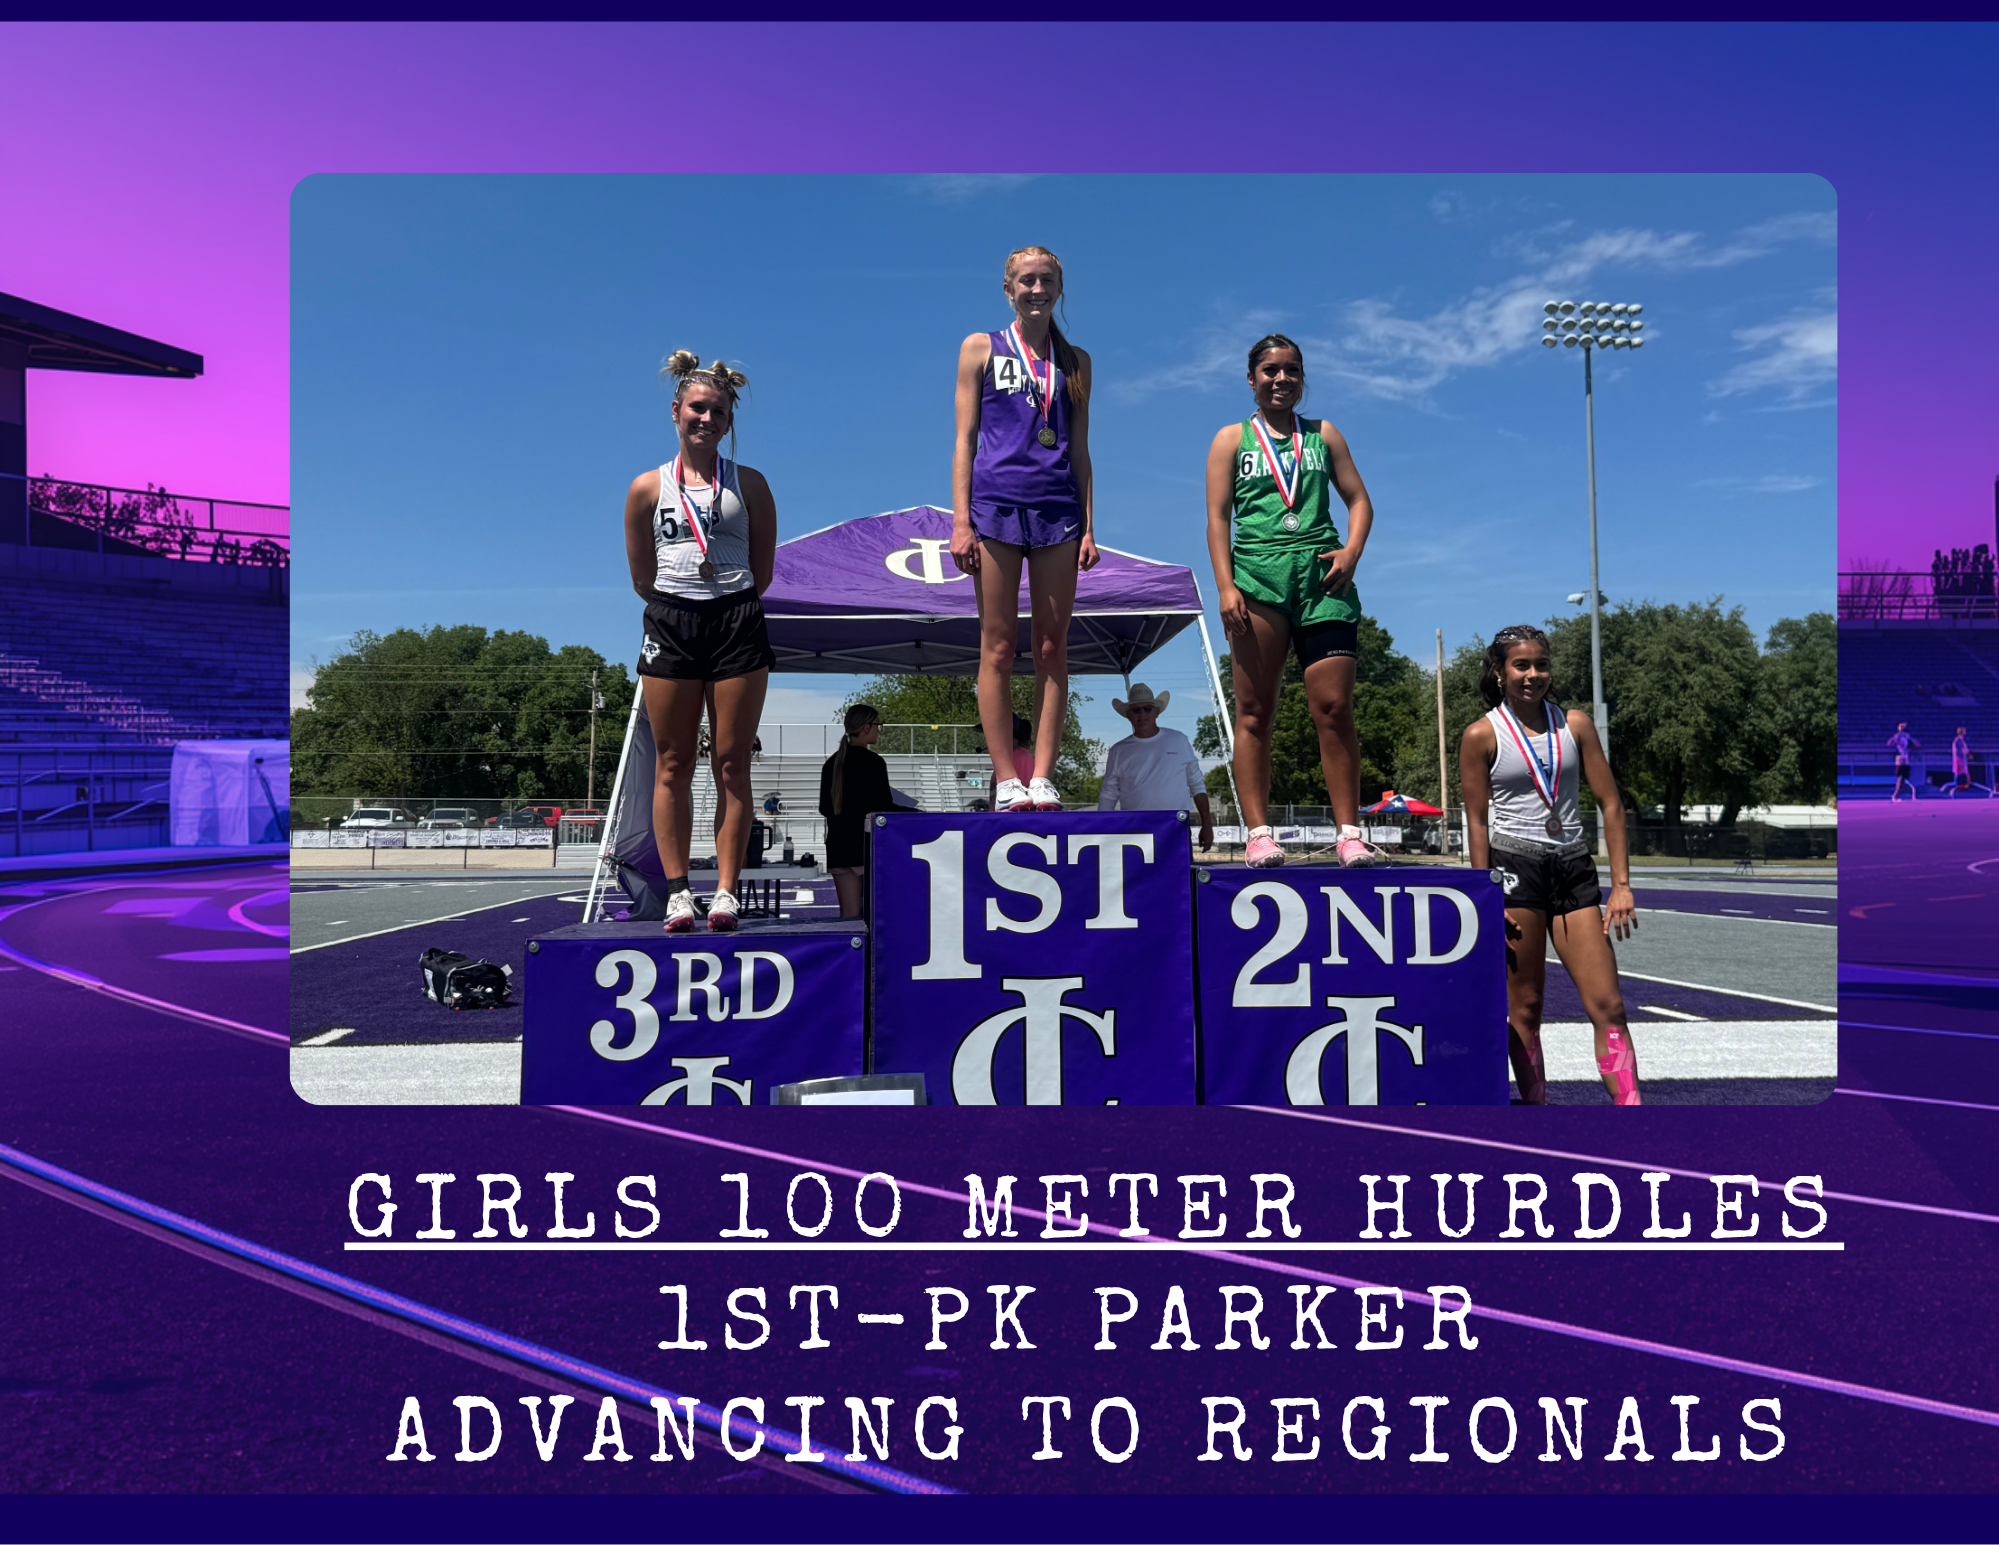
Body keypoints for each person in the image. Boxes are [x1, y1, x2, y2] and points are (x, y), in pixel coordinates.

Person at [1204, 334, 1377, 869]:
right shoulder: (1230, 440)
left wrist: (1352, 551)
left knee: (1335, 708)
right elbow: (1217, 519)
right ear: (1251, 378)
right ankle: (1259, 834)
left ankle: (1349, 833)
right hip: (1257, 581)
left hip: (1322, 581)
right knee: (1255, 712)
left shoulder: (1324, 434)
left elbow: (1359, 500)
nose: (1282, 379)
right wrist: (1226, 586)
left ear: (1302, 378)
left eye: (1292, 370)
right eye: (1271, 370)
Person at [622, 351, 776, 933]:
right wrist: (681, 601)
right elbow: (642, 577)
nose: (706, 419)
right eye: (697, 408)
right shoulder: (646, 488)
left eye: (718, 412)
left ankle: (727, 892)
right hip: (672, 620)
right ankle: (679, 891)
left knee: (732, 761)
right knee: (673, 762)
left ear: (729, 420)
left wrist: (722, 597)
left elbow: (763, 570)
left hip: (736, 617)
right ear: (675, 411)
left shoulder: (750, 484)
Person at [1460, 625, 1641, 1106]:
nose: (1533, 675)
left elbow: (1611, 804)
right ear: (1498, 672)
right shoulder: (1481, 734)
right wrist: (1485, 894)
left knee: (1609, 1005)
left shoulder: (1575, 724)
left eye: (1541, 665)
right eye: (1521, 665)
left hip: (1573, 866)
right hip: (1514, 869)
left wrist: (1622, 884)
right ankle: (1538, 1114)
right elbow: (1476, 821)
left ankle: (1632, 1114)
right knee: (1526, 1009)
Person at [951, 245, 1098, 814]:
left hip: (1058, 512)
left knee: (1052, 647)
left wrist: (1089, 526)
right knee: (997, 644)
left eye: (1047, 281)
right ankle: (1006, 778)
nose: (1037, 290)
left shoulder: (1076, 361)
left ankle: (1041, 775)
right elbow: (965, 439)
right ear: (1008, 289)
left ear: (1060, 288)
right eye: (1027, 281)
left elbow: (1080, 451)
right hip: (994, 508)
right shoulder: (980, 347)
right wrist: (960, 520)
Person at [1096, 683, 1214, 849]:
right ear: (1128, 715)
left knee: (1178, 867)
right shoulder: (1118, 750)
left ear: (1157, 712)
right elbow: (1109, 792)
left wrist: (1207, 824)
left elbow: (1197, 784)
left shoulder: (1179, 740)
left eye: (1147, 709)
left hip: (1176, 825)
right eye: (1136, 710)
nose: (1142, 714)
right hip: (1134, 829)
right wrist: (1100, 827)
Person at [819, 704, 910, 918]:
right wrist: (915, 812)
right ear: (867, 727)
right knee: (877, 915)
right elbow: (883, 807)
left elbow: (825, 808)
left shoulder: (832, 763)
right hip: (867, 848)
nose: (879, 730)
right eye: (879, 725)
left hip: (839, 847)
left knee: (849, 916)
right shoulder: (874, 762)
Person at [1888, 722, 1920, 801]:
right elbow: (1915, 743)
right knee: (1901, 777)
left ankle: (1898, 794)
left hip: (1904, 758)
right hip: (1902, 758)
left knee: (1903, 777)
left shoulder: (1903, 735)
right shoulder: (1901, 736)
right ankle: (1896, 795)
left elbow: (1890, 743)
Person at [1949, 725, 1972, 796]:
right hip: (1959, 759)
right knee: (1959, 772)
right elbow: (1962, 750)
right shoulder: (1958, 741)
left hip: (1961, 759)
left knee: (1963, 772)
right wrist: (1967, 754)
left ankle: (1963, 784)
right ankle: (1958, 785)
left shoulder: (1960, 740)